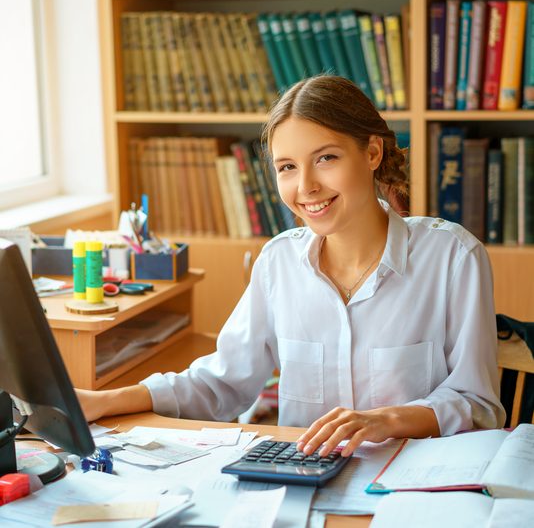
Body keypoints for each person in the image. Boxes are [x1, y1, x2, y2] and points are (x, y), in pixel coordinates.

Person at [77, 75, 505, 458]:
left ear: (372, 151)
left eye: (326, 158)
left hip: (414, 490)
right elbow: (222, 383)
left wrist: (386, 421)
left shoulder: (453, 257)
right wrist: (106, 401)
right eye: (287, 167)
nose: (306, 188)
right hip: (305, 486)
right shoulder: (278, 262)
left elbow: (480, 404)